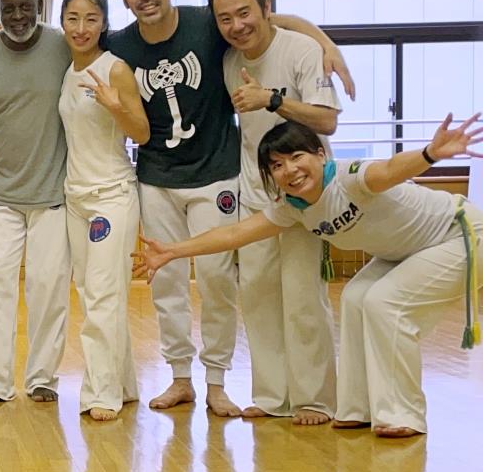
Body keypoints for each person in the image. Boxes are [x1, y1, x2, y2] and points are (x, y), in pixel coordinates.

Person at [107, 0, 354, 416]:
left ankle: (219, 381)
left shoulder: (207, 22)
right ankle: (184, 378)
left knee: (220, 279)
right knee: (173, 281)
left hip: (218, 174)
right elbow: (76, 47)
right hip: (158, 176)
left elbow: (271, 20)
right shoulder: (120, 44)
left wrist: (326, 42)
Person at [137, 117, 483, 438]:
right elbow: (233, 234)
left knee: (384, 303)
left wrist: (430, 153)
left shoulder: (350, 178)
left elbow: (391, 169)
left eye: (296, 157)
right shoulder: (293, 207)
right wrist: (172, 251)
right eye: (277, 165)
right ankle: (357, 408)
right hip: (405, 252)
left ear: (320, 154)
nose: (289, 169)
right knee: (355, 298)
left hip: (461, 235)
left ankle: (402, 414)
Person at [209, 0, 341, 425]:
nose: (236, 25)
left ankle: (314, 399)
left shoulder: (302, 50)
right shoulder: (229, 60)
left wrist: (272, 99)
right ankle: (271, 396)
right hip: (254, 192)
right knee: (258, 296)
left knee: (303, 297)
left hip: (306, 194)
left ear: (266, 8)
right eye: (225, 18)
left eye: (244, 12)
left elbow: (327, 120)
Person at [0, 0, 73, 405]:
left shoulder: (64, 46)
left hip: (53, 194)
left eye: (25, 6)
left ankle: (43, 377)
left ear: (40, 5)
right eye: (8, 9)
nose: (18, 16)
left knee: (48, 290)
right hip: (1, 196)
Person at [58, 0, 150, 420]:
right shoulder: (66, 70)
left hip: (112, 194)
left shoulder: (115, 69)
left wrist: (117, 107)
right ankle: (124, 383)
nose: (81, 28)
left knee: (103, 296)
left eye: (91, 19)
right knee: (92, 293)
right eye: (73, 18)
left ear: (104, 23)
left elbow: (142, 133)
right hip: (75, 195)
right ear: (62, 22)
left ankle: (101, 392)